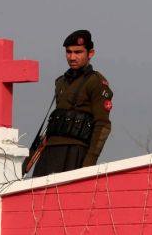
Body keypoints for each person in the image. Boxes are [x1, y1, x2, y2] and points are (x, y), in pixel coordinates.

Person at [32, 30, 113, 177]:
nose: (72, 57)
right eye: (68, 52)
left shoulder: (96, 82)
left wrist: (89, 164)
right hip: (50, 152)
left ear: (90, 53)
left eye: (78, 52)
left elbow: (102, 125)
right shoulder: (61, 82)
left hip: (75, 152)